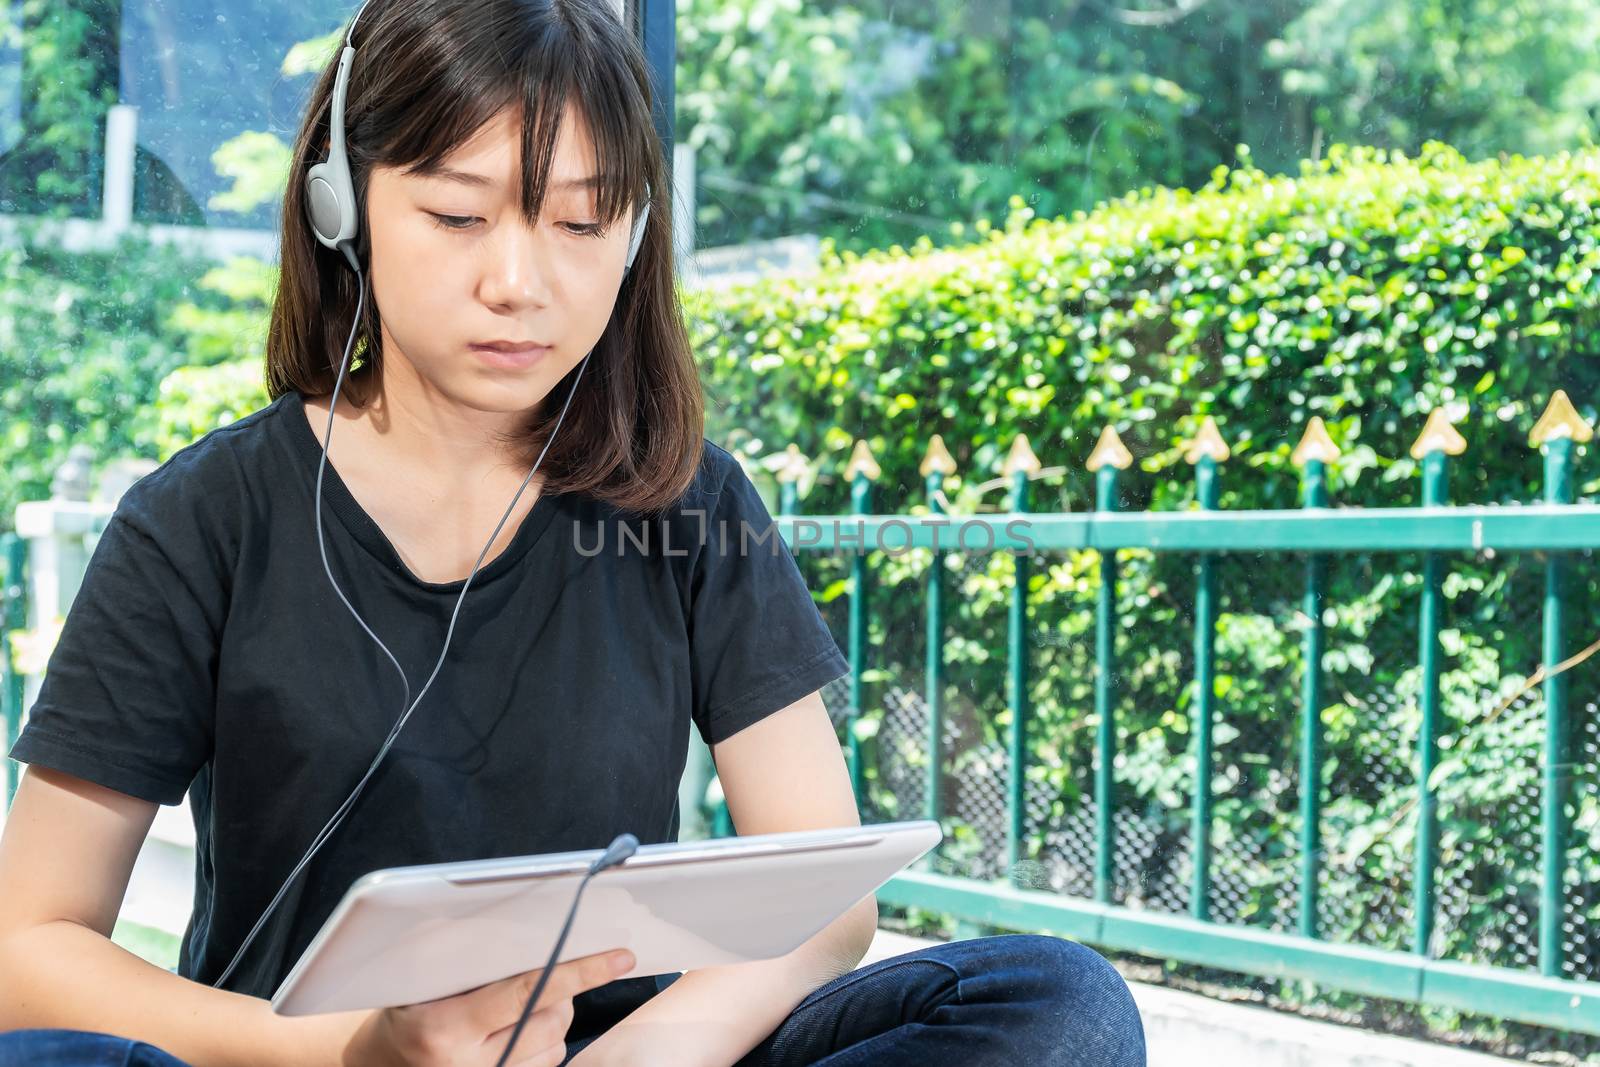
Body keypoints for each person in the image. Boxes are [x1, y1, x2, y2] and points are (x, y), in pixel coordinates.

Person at [0, 1, 1147, 1064]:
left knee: (1054, 1002)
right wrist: (352, 1051)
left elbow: (827, 902)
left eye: (583, 220)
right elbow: (27, 947)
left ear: (634, 234)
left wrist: (626, 1060)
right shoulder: (199, 520)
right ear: (338, 205)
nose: (521, 280)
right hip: (306, 1062)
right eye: (457, 214)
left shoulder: (687, 500)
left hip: (616, 1054)